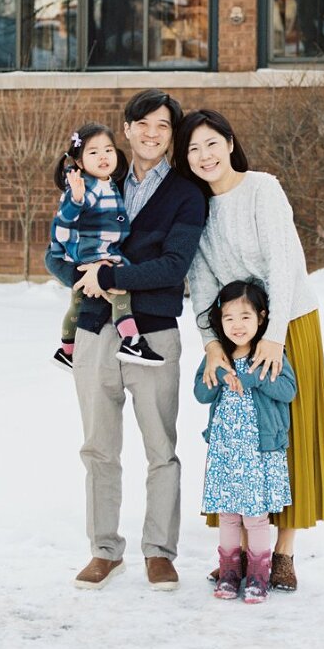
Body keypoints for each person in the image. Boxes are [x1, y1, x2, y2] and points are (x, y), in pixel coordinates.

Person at [173, 108, 324, 593]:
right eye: (192, 149)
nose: (204, 156)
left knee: (285, 436)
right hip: (236, 332)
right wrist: (210, 343)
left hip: (289, 324)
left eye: (210, 143)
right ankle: (242, 549)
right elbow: (201, 279)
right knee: (238, 442)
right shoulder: (198, 207)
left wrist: (276, 335)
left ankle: (282, 554)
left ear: (229, 141)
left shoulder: (263, 188)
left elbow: (282, 263)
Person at [69, 89, 207, 592]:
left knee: (160, 448)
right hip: (93, 331)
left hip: (153, 332)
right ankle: (104, 549)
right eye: (142, 123)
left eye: (163, 126)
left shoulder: (186, 195)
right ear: (125, 127)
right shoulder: (95, 176)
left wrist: (110, 276)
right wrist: (74, 271)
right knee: (99, 448)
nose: (151, 133)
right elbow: (63, 245)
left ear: (173, 135)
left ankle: (159, 552)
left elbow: (175, 265)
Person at [194, 279, 297, 604]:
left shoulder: (269, 355)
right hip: (226, 452)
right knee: (227, 515)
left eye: (245, 317)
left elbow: (287, 391)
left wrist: (253, 378)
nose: (237, 325)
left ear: (262, 318)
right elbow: (200, 393)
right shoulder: (218, 356)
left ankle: (257, 576)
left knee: (255, 517)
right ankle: (228, 573)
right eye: (229, 318)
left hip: (259, 454)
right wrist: (219, 376)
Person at [45, 122, 165, 369]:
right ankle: (131, 341)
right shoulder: (83, 188)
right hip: (93, 258)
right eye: (93, 152)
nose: (103, 156)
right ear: (79, 161)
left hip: (102, 254)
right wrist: (75, 201)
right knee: (121, 293)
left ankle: (67, 351)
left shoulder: (108, 183)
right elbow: (63, 225)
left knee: (77, 304)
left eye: (108, 150)